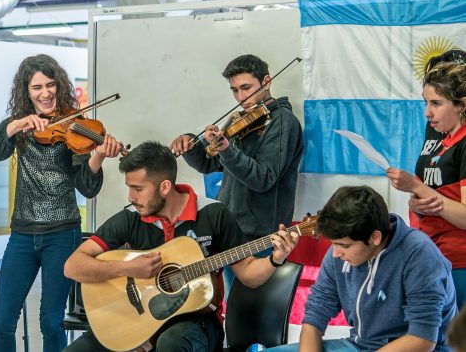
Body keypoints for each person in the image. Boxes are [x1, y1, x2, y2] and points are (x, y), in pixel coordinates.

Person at [62, 141, 298, 352]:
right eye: (129, 187)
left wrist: (274, 258)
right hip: (140, 322)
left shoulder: (212, 214)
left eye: (138, 189)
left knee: (171, 344)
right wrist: (127, 269)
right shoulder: (130, 217)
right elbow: (73, 266)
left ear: (165, 187)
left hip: (197, 321)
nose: (130, 197)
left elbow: (248, 274)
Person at [0, 54, 121, 352]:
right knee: (2, 321)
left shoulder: (77, 125)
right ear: (26, 92)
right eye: (36, 87)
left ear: (59, 85)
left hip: (62, 232)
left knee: (51, 321)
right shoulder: (19, 124)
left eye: (50, 85)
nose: (45, 93)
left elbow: (87, 186)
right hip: (22, 233)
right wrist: (15, 126)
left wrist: (97, 156)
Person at [169, 54, 303, 295]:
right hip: (230, 231)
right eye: (235, 91)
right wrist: (191, 145)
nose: (241, 98)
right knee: (225, 308)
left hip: (258, 237)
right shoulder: (239, 119)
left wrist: (227, 150)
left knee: (246, 312)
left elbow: (263, 179)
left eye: (246, 88)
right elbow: (210, 165)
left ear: (266, 81)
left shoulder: (284, 123)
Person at [263, 186, 457, 352]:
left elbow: (423, 339)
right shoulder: (338, 251)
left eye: (344, 246)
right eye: (333, 244)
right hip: (360, 345)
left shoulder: (420, 254)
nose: (336, 253)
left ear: (375, 237)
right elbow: (315, 315)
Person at [386, 60, 466, 309]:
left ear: (462, 105)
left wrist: (417, 188)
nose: (427, 112)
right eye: (426, 102)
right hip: (430, 252)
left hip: (458, 260)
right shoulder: (442, 137)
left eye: (436, 104)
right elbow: (434, 193)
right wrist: (416, 201)